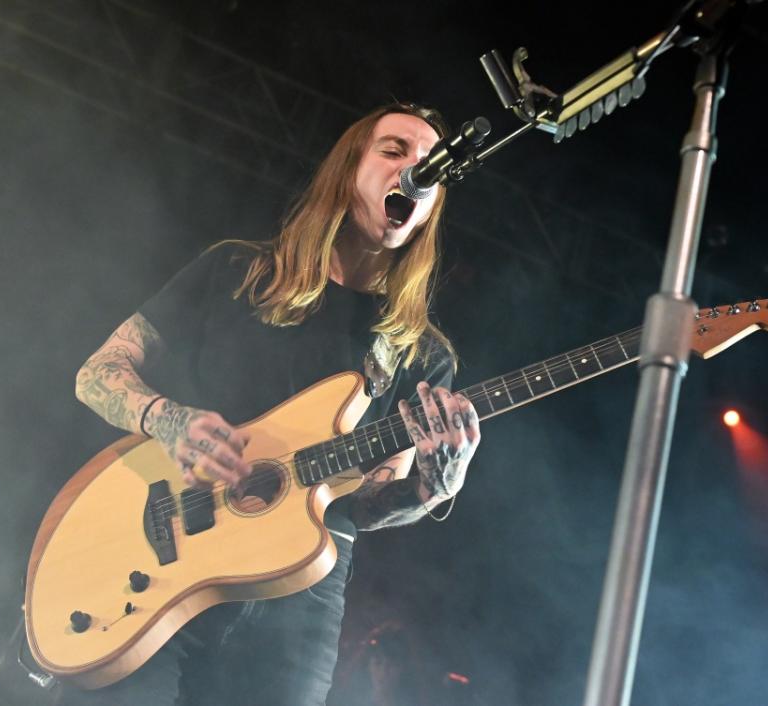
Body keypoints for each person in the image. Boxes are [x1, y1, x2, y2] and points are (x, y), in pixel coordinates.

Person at [62, 102, 481, 706]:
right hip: (165, 554)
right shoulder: (240, 269)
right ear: (347, 169)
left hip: (298, 602)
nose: (414, 169)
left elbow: (368, 505)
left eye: (430, 165)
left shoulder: (421, 356)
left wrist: (430, 491)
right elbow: (97, 371)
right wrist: (166, 419)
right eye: (394, 151)